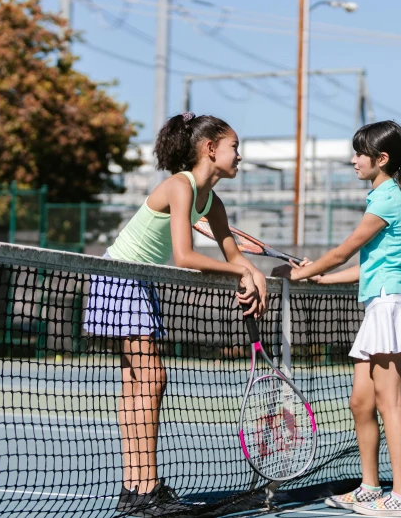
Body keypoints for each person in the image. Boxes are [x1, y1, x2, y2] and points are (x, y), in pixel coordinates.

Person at [83, 112, 268, 517]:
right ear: (210, 149)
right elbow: (185, 257)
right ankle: (144, 489)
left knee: (139, 382)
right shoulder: (180, 186)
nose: (239, 155)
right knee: (150, 378)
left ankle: (135, 488)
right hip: (120, 274)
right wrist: (242, 271)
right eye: (234, 147)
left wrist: (256, 275)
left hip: (140, 280)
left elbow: (233, 255)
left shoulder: (212, 201)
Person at [273, 120, 401, 517]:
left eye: (360, 153)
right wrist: (322, 276)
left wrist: (300, 273)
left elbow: (345, 250)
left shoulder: (387, 199)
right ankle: (370, 486)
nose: (353, 159)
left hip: (390, 306)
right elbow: (366, 264)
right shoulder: (382, 196)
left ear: (382, 159)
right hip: (377, 303)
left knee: (388, 400)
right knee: (361, 401)